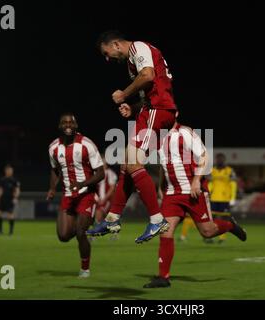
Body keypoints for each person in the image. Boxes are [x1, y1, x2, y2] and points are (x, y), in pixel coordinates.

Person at [88, 30, 177, 243]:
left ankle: (157, 219)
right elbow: (149, 90)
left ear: (117, 44)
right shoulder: (132, 61)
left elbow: (148, 75)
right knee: (127, 163)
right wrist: (133, 108)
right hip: (149, 110)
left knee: (134, 162)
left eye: (107, 53)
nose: (108, 58)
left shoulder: (139, 48)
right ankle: (112, 218)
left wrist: (124, 94)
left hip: (159, 110)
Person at [143, 121, 247, 288]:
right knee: (165, 232)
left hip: (193, 190)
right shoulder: (158, 137)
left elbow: (205, 157)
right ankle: (163, 277)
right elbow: (164, 164)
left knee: (207, 231)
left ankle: (229, 225)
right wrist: (161, 186)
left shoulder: (185, 132)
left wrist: (197, 180)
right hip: (172, 193)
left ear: (174, 114)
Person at [47, 113, 104, 278]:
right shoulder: (53, 148)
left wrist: (82, 184)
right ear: (59, 125)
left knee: (80, 232)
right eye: (64, 122)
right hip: (68, 196)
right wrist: (52, 188)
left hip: (86, 194)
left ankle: (85, 268)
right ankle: (85, 227)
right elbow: (55, 170)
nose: (68, 125)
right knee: (63, 236)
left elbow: (100, 174)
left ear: (76, 125)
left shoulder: (87, 144)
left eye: (71, 122)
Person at [0, 164, 20, 236]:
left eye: (11, 170)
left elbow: (17, 190)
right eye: (8, 170)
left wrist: (15, 198)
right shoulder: (2, 180)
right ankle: (0, 230)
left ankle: (11, 232)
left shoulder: (14, 180)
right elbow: (0, 190)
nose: (10, 171)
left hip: (10, 200)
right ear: (5, 171)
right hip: (2, 199)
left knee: (10, 215)